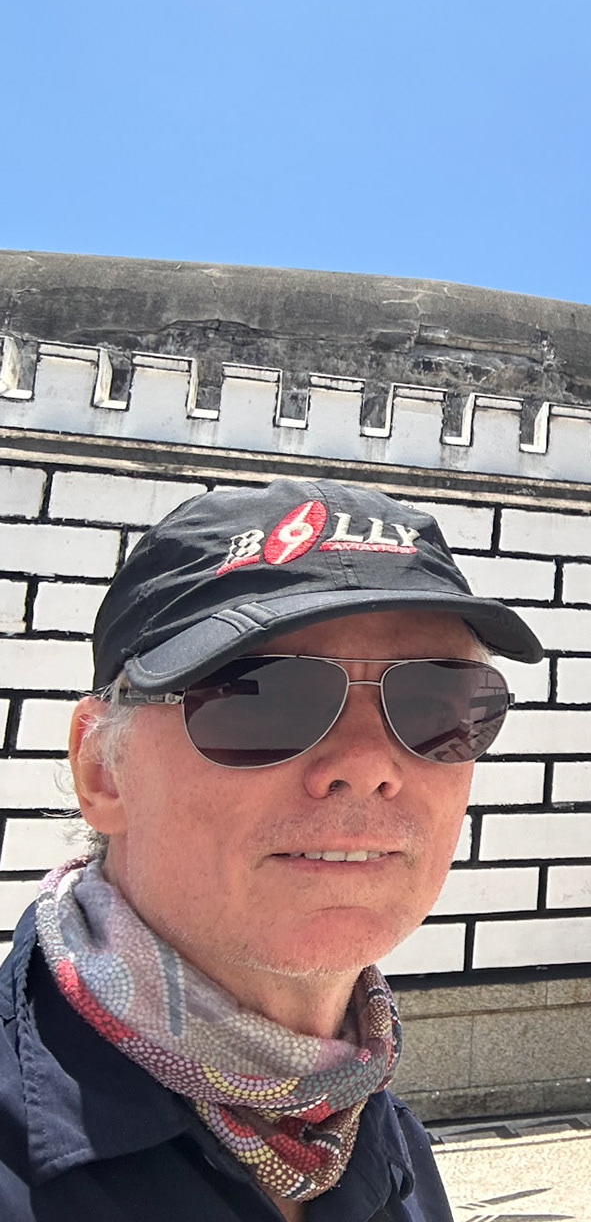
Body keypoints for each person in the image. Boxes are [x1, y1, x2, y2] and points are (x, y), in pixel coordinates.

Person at [0, 478, 544, 1221]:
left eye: (435, 706)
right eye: (262, 697)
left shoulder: (368, 1127)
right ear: (103, 769)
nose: (368, 764)